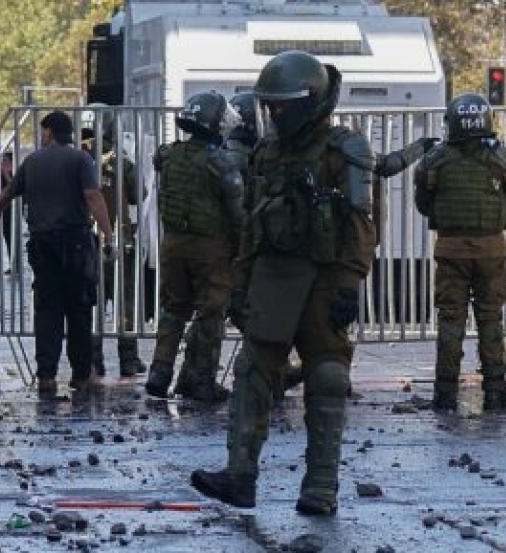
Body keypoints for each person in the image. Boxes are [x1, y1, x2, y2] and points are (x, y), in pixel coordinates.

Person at [190, 50, 376, 515]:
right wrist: (241, 281)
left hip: (325, 277)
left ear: (308, 101)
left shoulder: (343, 149)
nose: (274, 113)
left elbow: (361, 222)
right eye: (270, 106)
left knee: (327, 376)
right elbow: (253, 222)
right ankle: (240, 476)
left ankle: (320, 488)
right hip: (273, 275)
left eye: (281, 105)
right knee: (252, 371)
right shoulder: (268, 152)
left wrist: (350, 282)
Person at [415, 93, 506, 413]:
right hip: (491, 248)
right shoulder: (502, 159)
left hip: (450, 248)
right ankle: (496, 392)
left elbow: (423, 204)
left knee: (451, 320)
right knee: (491, 319)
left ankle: (445, 394)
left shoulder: (434, 160)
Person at [0, 111, 113, 398]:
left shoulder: (32, 162)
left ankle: (46, 375)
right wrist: (108, 234)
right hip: (76, 244)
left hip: (43, 245)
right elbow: (93, 196)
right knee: (78, 310)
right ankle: (81, 376)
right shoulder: (80, 160)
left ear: (49, 132)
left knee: (48, 311)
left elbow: (7, 194)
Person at [146, 91, 244, 403]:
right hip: (210, 248)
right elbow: (237, 215)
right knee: (210, 313)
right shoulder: (222, 164)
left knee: (173, 309)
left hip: (173, 244)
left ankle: (159, 372)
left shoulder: (169, 155)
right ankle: (201, 380)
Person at [86, 118, 147, 378]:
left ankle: (93, 359)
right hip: (119, 238)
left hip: (87, 240)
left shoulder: (78, 160)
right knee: (125, 300)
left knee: (92, 302)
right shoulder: (120, 162)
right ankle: (128, 359)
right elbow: (140, 193)